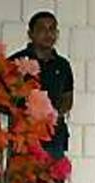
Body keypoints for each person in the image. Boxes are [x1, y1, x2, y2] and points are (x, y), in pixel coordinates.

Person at [9, 11, 73, 162]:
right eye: (42, 29)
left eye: (52, 29)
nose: (48, 33)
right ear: (30, 33)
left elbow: (67, 99)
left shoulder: (63, 65)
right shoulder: (16, 62)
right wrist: (27, 116)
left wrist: (52, 115)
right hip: (23, 140)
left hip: (54, 139)